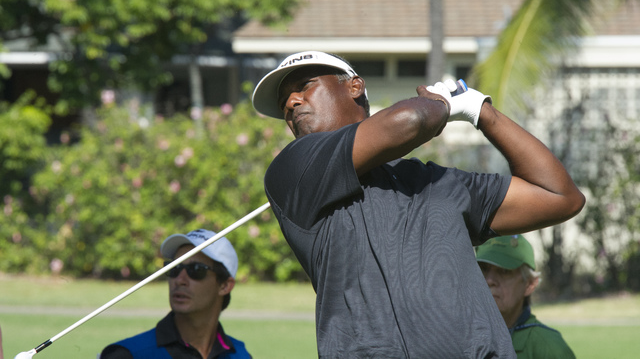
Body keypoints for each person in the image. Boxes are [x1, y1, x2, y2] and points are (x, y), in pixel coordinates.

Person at [251, 50, 585, 358]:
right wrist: (442, 104)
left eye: (304, 86)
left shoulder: (438, 182)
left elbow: (559, 197)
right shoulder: (294, 170)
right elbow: (411, 119)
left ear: (354, 87)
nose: (292, 103)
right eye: (284, 103)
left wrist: (482, 112)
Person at [100, 229, 251, 359]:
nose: (180, 280)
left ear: (225, 286)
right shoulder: (126, 355)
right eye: (175, 268)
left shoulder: (240, 355)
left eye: (196, 270)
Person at [476, 234, 576, 358]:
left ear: (530, 284)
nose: (489, 280)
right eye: (483, 269)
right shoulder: (461, 337)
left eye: (504, 271)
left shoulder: (549, 348)